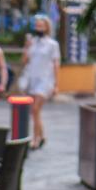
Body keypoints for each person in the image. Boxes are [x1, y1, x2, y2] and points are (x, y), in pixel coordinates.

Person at [21, 14, 60, 149]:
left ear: (47, 27)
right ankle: (42, 136)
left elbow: (56, 64)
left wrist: (56, 84)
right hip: (32, 78)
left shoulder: (52, 45)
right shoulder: (32, 42)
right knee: (35, 111)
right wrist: (26, 47)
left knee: (35, 109)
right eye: (36, 25)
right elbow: (24, 61)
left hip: (45, 80)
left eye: (41, 25)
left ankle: (35, 139)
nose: (38, 28)